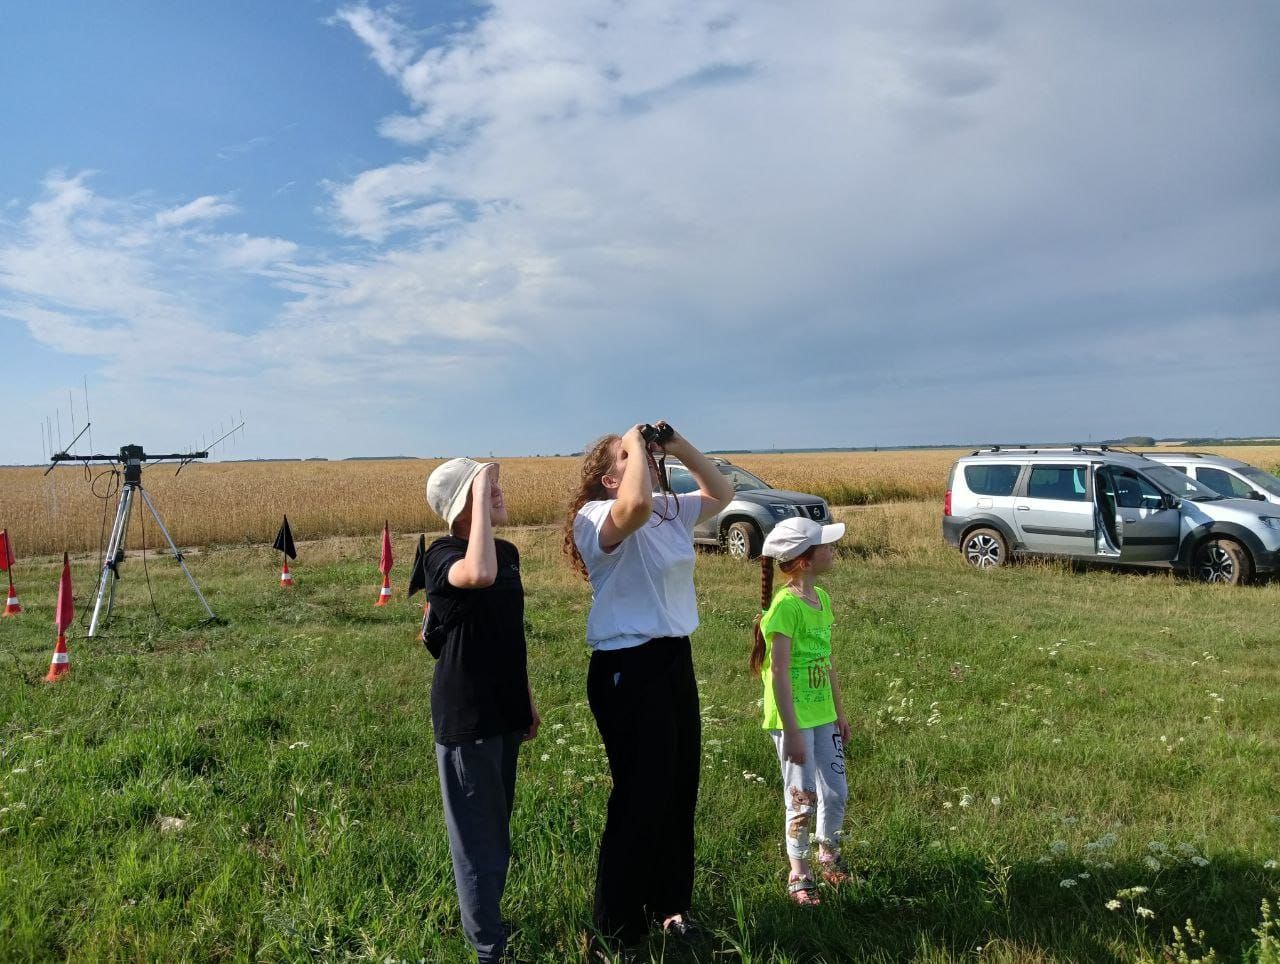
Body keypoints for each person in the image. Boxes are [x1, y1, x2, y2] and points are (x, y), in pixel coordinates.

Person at [563, 422, 733, 949]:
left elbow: (722, 494)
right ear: (607, 478)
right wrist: (635, 442)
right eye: (624, 457)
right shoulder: (594, 518)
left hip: (671, 658)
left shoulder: (669, 510)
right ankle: (616, 928)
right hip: (625, 666)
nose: (639, 459)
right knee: (640, 796)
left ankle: (670, 907)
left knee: (679, 790)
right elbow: (632, 507)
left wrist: (676, 447)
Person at [424, 458, 540, 963]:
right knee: (477, 842)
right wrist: (477, 504)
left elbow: (511, 637)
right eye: (486, 490)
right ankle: (489, 948)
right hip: (467, 716)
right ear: (461, 505)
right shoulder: (443, 554)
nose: (499, 494)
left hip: (505, 710)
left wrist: (527, 698)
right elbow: (479, 572)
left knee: (496, 828)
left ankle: (486, 917)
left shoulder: (508, 553)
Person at [750, 517, 852, 906]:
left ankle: (829, 853)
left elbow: (827, 662)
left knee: (836, 791)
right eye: (826, 546)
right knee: (802, 796)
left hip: (822, 714)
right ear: (805, 560)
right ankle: (800, 870)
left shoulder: (821, 599)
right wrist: (791, 730)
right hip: (792, 719)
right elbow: (777, 671)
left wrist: (839, 713)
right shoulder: (786, 607)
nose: (833, 550)